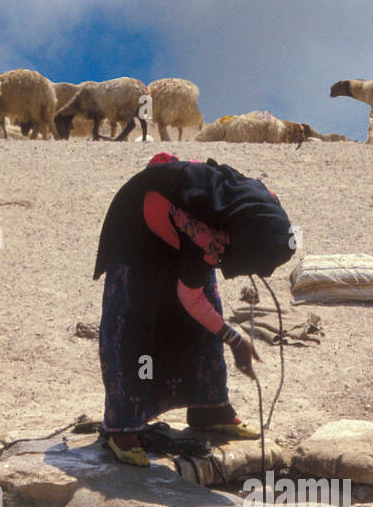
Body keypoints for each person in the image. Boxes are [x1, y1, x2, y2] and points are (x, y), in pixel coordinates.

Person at [93, 151, 294, 466]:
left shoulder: (254, 205)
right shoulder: (206, 237)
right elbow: (190, 298)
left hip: (180, 218)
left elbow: (267, 210)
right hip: (137, 230)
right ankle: (123, 427)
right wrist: (235, 338)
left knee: (204, 315)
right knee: (136, 324)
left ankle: (209, 409)